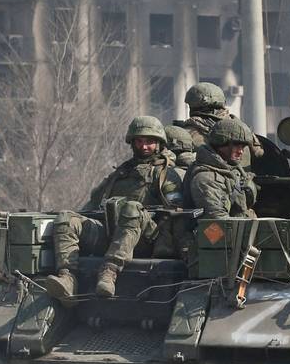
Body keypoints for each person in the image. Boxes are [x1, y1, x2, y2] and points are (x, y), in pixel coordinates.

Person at [46, 116, 184, 302]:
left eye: (150, 142)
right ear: (132, 143)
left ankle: (109, 272)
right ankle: (68, 278)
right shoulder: (121, 173)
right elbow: (92, 206)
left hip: (148, 240)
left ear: (159, 144)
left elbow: (177, 213)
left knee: (132, 209)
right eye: (139, 141)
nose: (144, 147)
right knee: (66, 218)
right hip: (114, 237)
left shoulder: (167, 174)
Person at [183, 117, 258, 219]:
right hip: (217, 232)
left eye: (243, 147)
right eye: (236, 146)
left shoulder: (232, 171)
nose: (241, 151)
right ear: (221, 143)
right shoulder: (205, 178)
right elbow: (218, 222)